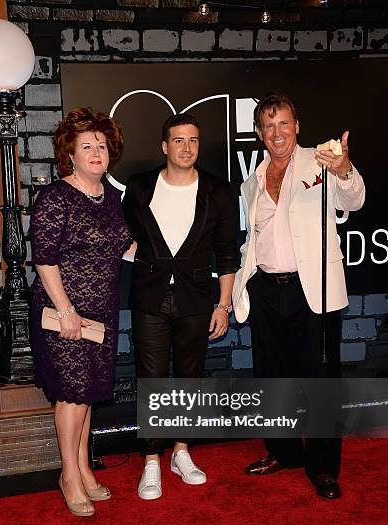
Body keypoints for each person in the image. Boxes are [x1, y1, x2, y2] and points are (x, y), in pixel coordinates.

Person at [232, 92, 365, 499]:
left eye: (284, 123)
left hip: (315, 291)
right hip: (266, 290)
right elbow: (251, 239)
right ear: (258, 133)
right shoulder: (250, 182)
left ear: (297, 126)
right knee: (274, 380)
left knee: (321, 382)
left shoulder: (320, 162)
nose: (278, 133)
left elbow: (354, 199)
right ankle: (283, 452)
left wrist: (344, 169)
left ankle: (323, 467)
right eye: (269, 126)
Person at [123, 113, 239, 500]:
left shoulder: (218, 191)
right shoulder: (139, 188)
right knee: (152, 378)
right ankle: (152, 459)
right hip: (149, 297)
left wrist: (224, 305)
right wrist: (148, 259)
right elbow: (120, 235)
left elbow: (226, 254)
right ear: (164, 145)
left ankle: (182, 451)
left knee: (190, 377)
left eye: (193, 140)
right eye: (178, 140)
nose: (186, 148)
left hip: (196, 300)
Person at [30, 107, 133, 517]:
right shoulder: (55, 197)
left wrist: (168, 264)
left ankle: (85, 469)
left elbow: (121, 246)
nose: (96, 153)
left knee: (87, 394)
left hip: (101, 311)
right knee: (72, 396)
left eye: (102, 146)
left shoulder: (110, 196)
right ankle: (69, 475)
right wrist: (67, 310)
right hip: (63, 312)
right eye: (86, 146)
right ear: (69, 154)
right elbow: (44, 259)